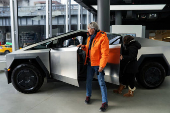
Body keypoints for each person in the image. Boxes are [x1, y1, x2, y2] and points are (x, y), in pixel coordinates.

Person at [77, 22, 109, 112]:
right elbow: (89, 48)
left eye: (88, 28)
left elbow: (105, 54)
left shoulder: (103, 38)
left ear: (93, 29)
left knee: (101, 83)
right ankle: (88, 96)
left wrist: (102, 66)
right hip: (90, 63)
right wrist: (83, 47)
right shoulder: (89, 37)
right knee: (88, 81)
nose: (87, 30)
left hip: (98, 65)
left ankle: (105, 102)